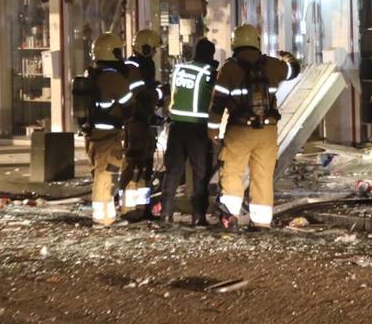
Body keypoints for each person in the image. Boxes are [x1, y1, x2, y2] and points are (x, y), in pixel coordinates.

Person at [208, 24, 299, 230]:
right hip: (267, 131)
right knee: (263, 174)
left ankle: (229, 217)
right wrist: (287, 57)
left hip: (239, 130)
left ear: (234, 43)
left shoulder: (229, 68)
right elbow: (294, 70)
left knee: (232, 170)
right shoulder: (273, 66)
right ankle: (261, 221)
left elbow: (217, 103)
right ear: (257, 42)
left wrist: (213, 130)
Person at [74, 33, 135, 226]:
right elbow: (129, 106)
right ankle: (103, 219)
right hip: (109, 135)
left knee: (99, 172)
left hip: (92, 134)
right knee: (107, 174)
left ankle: (105, 215)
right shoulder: (112, 78)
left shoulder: (91, 74)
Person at [160, 38, 217, 226]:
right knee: (200, 172)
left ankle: (166, 214)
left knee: (173, 171)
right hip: (197, 128)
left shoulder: (179, 69)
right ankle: (198, 216)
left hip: (176, 126)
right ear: (210, 54)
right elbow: (215, 96)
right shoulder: (208, 72)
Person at [121, 28, 162, 220]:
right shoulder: (132, 67)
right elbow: (142, 97)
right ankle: (128, 208)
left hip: (144, 121)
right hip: (135, 122)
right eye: (153, 49)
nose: (154, 52)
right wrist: (161, 93)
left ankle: (143, 206)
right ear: (145, 47)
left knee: (146, 165)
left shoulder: (144, 66)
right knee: (134, 162)